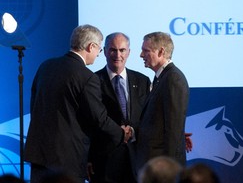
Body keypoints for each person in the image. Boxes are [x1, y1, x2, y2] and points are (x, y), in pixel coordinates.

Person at [24, 25, 132, 183]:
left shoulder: (46, 67)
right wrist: (121, 134)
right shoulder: (86, 77)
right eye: (99, 50)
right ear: (91, 46)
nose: (97, 55)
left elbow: (35, 105)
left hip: (39, 155)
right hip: (67, 159)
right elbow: (99, 118)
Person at [87, 32, 151, 183]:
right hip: (103, 162)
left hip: (136, 160)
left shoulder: (143, 81)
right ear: (104, 51)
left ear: (129, 52)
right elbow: (87, 122)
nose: (117, 55)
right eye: (112, 50)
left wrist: (133, 131)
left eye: (122, 50)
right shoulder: (92, 81)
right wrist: (87, 158)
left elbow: (148, 117)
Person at [136, 31, 190, 173]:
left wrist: (169, 169)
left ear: (161, 51)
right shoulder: (161, 77)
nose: (141, 55)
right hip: (153, 162)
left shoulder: (173, 79)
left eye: (145, 51)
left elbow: (173, 129)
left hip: (163, 168)